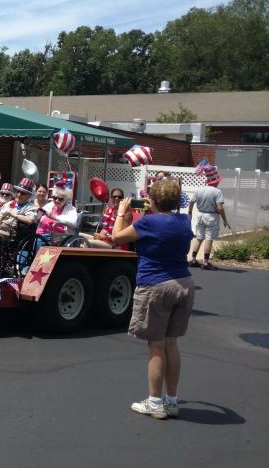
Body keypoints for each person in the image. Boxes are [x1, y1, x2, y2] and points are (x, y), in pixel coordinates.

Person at [112, 178, 194, 420]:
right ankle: (171, 400)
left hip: (155, 285)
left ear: (154, 200)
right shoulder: (184, 220)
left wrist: (120, 213)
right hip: (184, 283)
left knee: (156, 345)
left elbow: (117, 238)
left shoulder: (148, 222)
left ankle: (155, 402)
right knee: (172, 343)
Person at [187, 166, 230, 270]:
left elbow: (192, 202)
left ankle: (193, 259)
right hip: (211, 216)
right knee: (209, 238)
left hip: (200, 214)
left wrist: (190, 213)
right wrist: (224, 219)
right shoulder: (217, 192)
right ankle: (205, 262)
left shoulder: (199, 190)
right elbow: (220, 208)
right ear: (216, 182)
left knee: (199, 237)